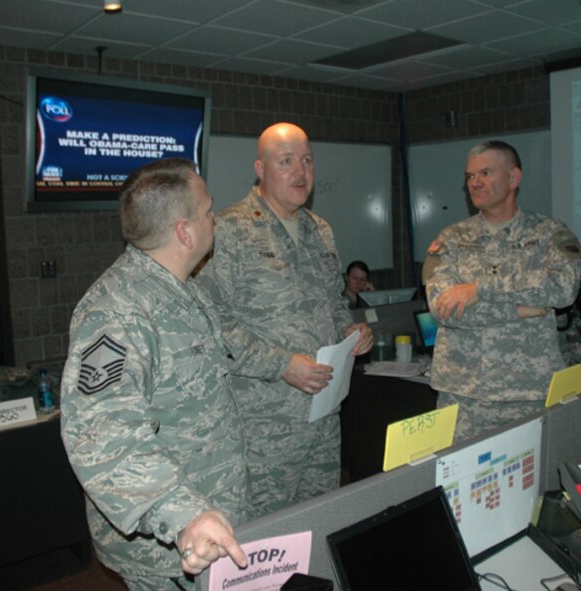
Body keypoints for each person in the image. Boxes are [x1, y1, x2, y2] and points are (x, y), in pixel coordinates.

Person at [60, 158, 249, 591]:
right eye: (206, 212)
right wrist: (183, 515)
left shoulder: (184, 288)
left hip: (212, 518)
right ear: (184, 232)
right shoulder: (116, 312)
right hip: (169, 545)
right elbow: (101, 434)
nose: (213, 219)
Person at [199, 122, 373, 518]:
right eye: (287, 161)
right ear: (260, 169)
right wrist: (282, 365)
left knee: (319, 525)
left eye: (308, 161)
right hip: (264, 427)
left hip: (324, 417)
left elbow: (333, 302)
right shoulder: (228, 231)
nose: (301, 172)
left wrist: (351, 330)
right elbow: (213, 326)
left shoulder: (320, 230)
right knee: (266, 540)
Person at [425, 140, 581, 441]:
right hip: (464, 396)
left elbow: (563, 288)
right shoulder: (451, 240)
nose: (475, 183)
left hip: (528, 391)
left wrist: (479, 289)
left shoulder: (549, 234)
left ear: (513, 178)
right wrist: (517, 310)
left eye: (485, 173)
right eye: (470, 176)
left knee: (530, 481)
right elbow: (443, 308)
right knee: (460, 484)